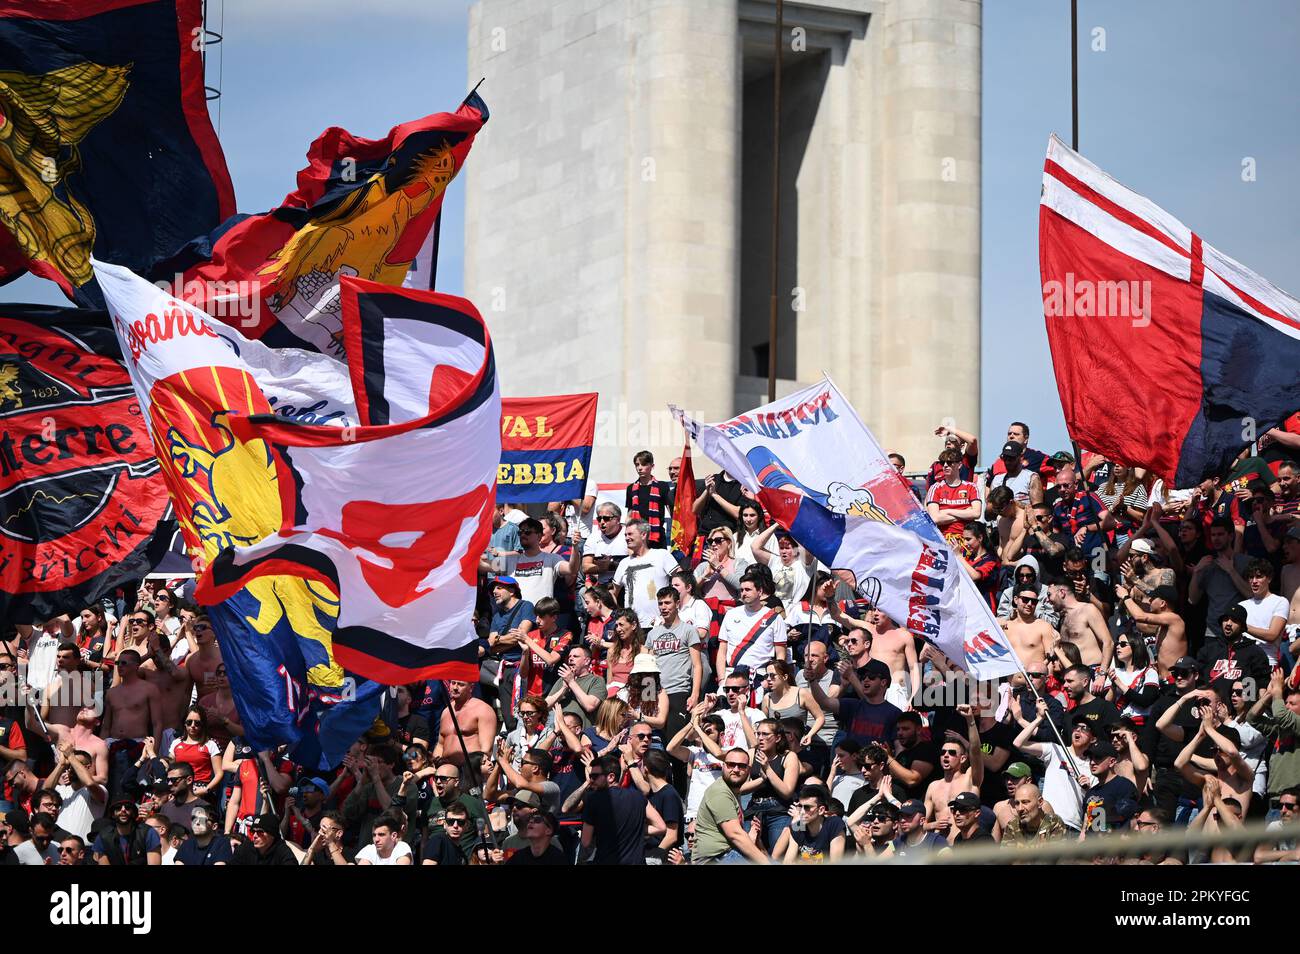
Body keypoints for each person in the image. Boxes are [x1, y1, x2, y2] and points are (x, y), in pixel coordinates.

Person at [579, 754, 666, 864]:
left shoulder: (593, 800)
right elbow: (661, 827)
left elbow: (586, 842)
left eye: (595, 776)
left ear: (611, 777)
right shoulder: (638, 796)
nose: (591, 780)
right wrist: (636, 829)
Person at [691, 749, 769, 864]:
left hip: (726, 855)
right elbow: (735, 835)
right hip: (714, 859)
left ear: (748, 769)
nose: (736, 770)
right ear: (723, 766)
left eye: (741, 766)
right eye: (731, 764)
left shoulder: (733, 790)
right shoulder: (720, 792)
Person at [717, 568, 787, 680]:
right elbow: (722, 651)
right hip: (731, 675)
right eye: (742, 590)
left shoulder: (775, 618)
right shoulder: (730, 615)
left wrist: (775, 679)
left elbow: (780, 654)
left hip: (761, 676)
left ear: (759, 591)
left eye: (748, 589)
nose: (743, 593)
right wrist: (721, 680)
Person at [612, 520, 683, 627]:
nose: (626, 538)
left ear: (643, 535)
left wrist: (676, 609)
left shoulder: (661, 555)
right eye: (625, 535)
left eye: (630, 534)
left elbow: (682, 580)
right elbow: (613, 592)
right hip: (633, 627)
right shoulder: (624, 563)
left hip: (660, 624)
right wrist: (620, 616)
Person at [772, 784, 845, 863]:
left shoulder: (834, 824)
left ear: (821, 810)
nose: (802, 812)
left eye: (807, 807)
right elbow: (787, 861)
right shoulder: (799, 826)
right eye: (800, 806)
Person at [434, 679, 498, 769]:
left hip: (470, 770)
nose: (455, 687)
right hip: (447, 773)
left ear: (471, 688)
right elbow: (440, 745)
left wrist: (475, 769)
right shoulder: (446, 711)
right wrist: (437, 764)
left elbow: (486, 749)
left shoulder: (483, 709)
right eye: (453, 683)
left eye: (460, 684)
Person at [925, 448, 982, 548]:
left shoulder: (971, 487)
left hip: (967, 541)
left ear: (959, 465)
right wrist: (965, 512)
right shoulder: (935, 488)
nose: (945, 465)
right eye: (943, 463)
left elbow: (976, 513)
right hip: (943, 541)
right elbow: (935, 518)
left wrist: (946, 511)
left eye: (950, 462)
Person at [1081, 738, 1138, 833]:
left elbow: (1127, 820)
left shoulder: (1124, 786)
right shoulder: (1090, 792)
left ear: (1112, 762)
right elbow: (1085, 826)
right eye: (1091, 758)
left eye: (1098, 758)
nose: (1092, 762)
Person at [545, 645, 606, 728]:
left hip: (581, 735)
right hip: (558, 733)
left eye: (575, 656)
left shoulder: (597, 680)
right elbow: (545, 705)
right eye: (569, 656)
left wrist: (571, 682)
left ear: (587, 661)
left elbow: (590, 706)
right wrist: (563, 689)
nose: (570, 658)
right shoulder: (562, 680)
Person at [625, 450, 673, 549]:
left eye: (644, 464)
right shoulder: (631, 489)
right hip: (637, 535)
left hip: (657, 535)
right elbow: (629, 514)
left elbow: (670, 509)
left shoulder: (662, 486)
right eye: (637, 465)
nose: (640, 468)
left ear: (652, 466)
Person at [92, 798, 161, 866]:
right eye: (118, 808)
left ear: (133, 813)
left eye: (127, 807)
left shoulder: (148, 832)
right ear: (112, 814)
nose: (123, 810)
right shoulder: (103, 837)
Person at [1001, 782, 1067, 846]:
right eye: (1017, 803)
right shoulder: (1013, 825)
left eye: (1025, 802)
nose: (1020, 808)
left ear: (1040, 802)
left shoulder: (1053, 823)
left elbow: (1056, 855)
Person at [231, 813, 298, 865]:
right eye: (253, 831)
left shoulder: (283, 852)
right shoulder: (244, 849)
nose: (255, 835)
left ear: (272, 835)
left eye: (260, 832)